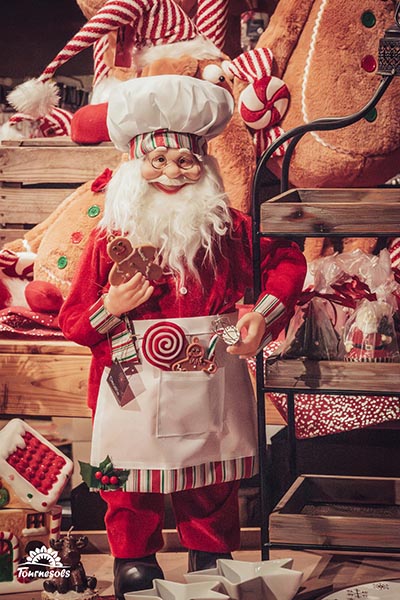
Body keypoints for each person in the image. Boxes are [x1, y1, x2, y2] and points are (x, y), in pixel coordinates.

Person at [59, 74, 306, 600]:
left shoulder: (232, 231)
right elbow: (74, 320)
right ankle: (134, 559)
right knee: (126, 482)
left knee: (211, 482)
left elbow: (288, 261)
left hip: (210, 371)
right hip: (131, 380)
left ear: (204, 166)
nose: (171, 173)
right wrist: (111, 306)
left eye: (185, 161)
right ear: (135, 165)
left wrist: (261, 314)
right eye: (158, 160)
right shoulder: (110, 240)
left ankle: (211, 555)